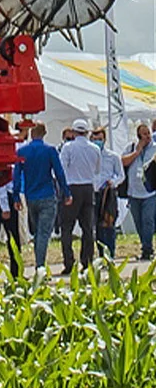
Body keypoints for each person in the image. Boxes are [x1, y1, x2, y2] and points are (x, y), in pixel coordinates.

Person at [14, 123, 69, 274]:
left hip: (30, 196)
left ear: (31, 134)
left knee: (37, 230)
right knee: (44, 232)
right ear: (44, 133)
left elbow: (17, 176)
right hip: (47, 194)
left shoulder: (22, 151)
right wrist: (66, 192)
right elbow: (59, 173)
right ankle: (40, 265)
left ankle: (39, 261)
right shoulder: (50, 150)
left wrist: (16, 196)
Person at [58, 118, 102, 275]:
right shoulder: (95, 148)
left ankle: (69, 261)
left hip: (72, 186)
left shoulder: (68, 147)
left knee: (67, 227)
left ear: (74, 132)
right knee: (88, 227)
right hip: (88, 187)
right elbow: (97, 170)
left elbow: (62, 169)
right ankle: (87, 260)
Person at [123, 122, 156, 260]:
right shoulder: (131, 147)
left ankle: (147, 249)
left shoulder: (154, 148)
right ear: (138, 136)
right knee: (138, 222)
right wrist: (137, 152)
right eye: (144, 134)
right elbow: (123, 162)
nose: (147, 136)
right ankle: (145, 244)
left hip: (150, 192)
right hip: (134, 192)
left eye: (148, 133)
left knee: (148, 220)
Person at [91, 126, 123, 259]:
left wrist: (113, 182)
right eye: (95, 139)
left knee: (109, 224)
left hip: (108, 194)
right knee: (96, 226)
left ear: (104, 139)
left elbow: (121, 175)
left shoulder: (113, 156)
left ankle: (111, 253)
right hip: (93, 193)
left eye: (100, 139)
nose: (98, 142)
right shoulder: (89, 155)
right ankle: (101, 254)